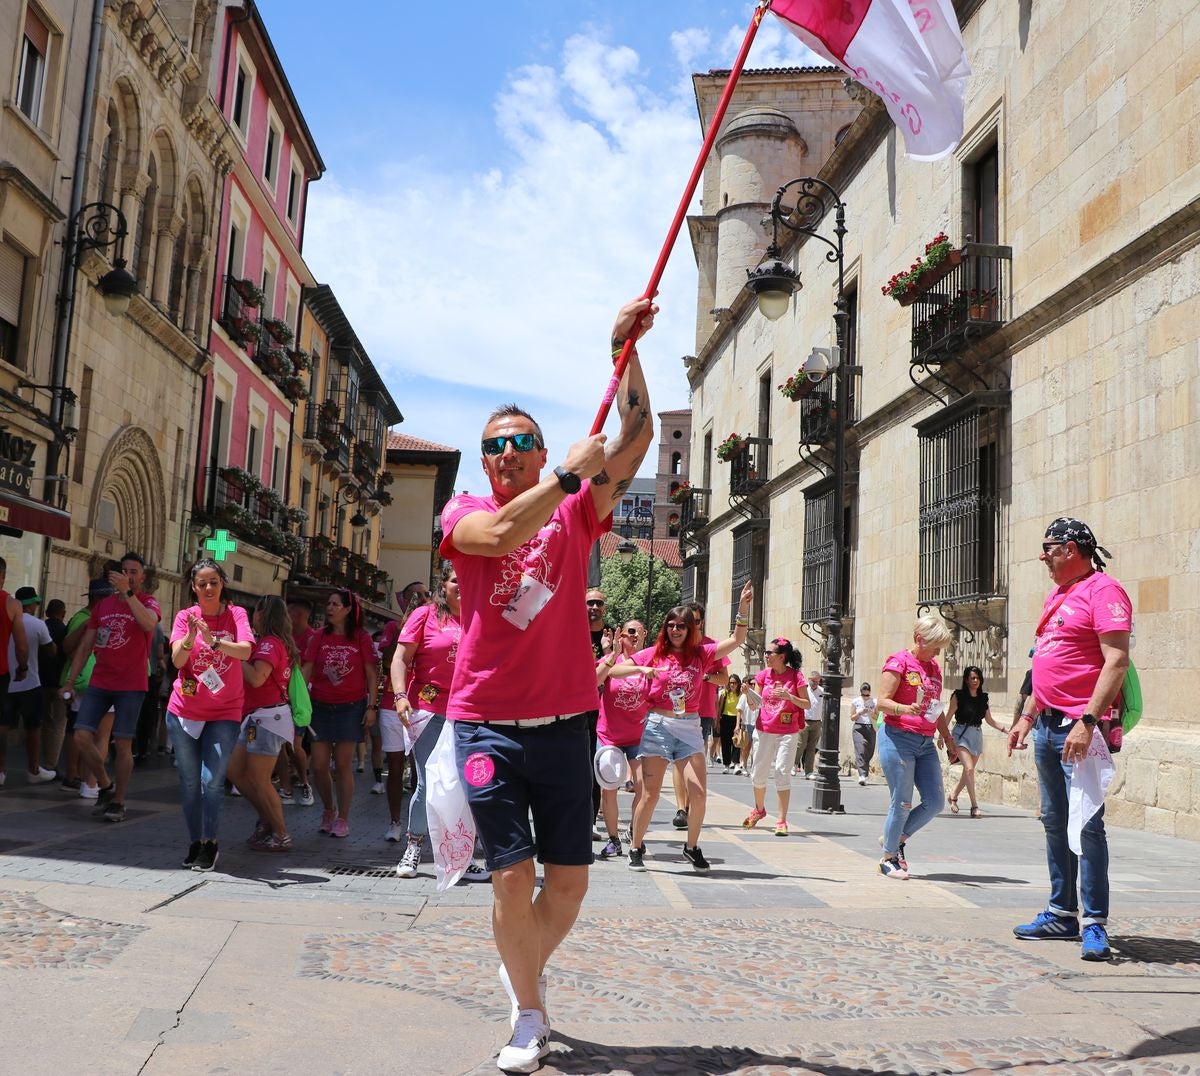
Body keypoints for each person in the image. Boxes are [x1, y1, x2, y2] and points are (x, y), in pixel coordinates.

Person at [439, 295, 656, 1074]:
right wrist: (567, 472)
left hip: (567, 722)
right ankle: (528, 1013)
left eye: (521, 443)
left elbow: (636, 440)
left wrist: (621, 351)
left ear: (533, 450)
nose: (507, 453)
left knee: (567, 887)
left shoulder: (575, 516)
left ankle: (519, 957)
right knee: (511, 873)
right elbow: (500, 535)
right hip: (487, 724)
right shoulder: (463, 512)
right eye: (495, 445)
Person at [1009, 517, 1131, 962]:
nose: (1042, 555)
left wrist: (1087, 721)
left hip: (1080, 726)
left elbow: (1116, 660)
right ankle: (1062, 912)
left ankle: (1094, 922)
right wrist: (1028, 714)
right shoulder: (1058, 594)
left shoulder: (1104, 591)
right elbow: (1043, 661)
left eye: (1049, 547)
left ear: (1072, 548)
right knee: (1054, 820)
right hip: (1046, 725)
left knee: (1086, 823)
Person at [629, 584, 752, 874]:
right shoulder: (654, 654)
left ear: (690, 629)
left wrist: (743, 606)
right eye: (670, 625)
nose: (675, 630)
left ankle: (691, 846)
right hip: (658, 726)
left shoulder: (702, 654)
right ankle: (635, 847)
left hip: (689, 728)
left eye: (681, 626)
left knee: (698, 793)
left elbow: (737, 638)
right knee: (650, 794)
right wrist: (637, 668)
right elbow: (622, 668)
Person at [389, 565, 489, 881]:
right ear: (443, 585)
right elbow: (400, 659)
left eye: (468, 579)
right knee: (429, 783)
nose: (463, 585)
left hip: (472, 711)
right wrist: (400, 695)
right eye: (456, 579)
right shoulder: (425, 615)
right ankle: (414, 847)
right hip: (429, 710)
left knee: (471, 783)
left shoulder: (483, 615)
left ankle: (463, 854)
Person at [166, 558, 254, 871]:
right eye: (201, 583)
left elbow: (245, 651)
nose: (207, 588)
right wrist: (191, 636)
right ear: (193, 586)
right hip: (185, 710)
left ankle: (211, 842)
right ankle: (196, 843)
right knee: (189, 782)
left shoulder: (237, 614)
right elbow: (177, 661)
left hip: (225, 710)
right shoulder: (184, 616)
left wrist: (216, 640)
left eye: (213, 582)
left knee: (211, 781)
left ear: (222, 584)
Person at [63, 553, 161, 822]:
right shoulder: (103, 606)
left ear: (142, 577)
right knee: (82, 735)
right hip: (100, 680)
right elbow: (85, 647)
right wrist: (70, 680)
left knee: (123, 743)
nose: (128, 574)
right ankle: (106, 786)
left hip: (131, 683)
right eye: (124, 570)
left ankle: (119, 801)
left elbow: (149, 623)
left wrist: (128, 594)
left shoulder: (147, 601)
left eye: (134, 571)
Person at [875, 615, 956, 879]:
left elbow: (936, 708)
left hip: (925, 742)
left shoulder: (933, 668)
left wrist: (948, 738)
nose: (938, 653)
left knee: (934, 801)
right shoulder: (898, 663)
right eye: (935, 646)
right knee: (902, 802)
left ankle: (895, 837)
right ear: (920, 639)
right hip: (897, 738)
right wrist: (905, 708)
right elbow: (881, 702)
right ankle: (888, 858)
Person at [302, 589, 379, 838]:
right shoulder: (318, 637)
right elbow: (306, 669)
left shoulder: (361, 638)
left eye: (336, 604)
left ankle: (343, 818)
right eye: (329, 604)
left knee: (344, 764)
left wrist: (371, 707)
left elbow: (371, 675)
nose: (330, 608)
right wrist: (298, 700)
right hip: (320, 707)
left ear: (348, 609)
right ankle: (328, 810)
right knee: (319, 765)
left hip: (351, 707)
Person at [228, 595, 298, 853]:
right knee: (235, 772)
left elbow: (257, 678)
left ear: (262, 615)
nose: (251, 616)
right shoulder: (270, 643)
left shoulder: (269, 644)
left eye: (254, 612)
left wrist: (236, 655)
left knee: (259, 779)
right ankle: (268, 821)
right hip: (258, 718)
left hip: (268, 719)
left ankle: (281, 833)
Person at [594, 619, 650, 860]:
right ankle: (613, 840)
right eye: (629, 631)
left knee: (644, 788)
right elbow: (595, 680)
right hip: (609, 735)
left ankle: (634, 830)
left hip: (640, 736)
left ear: (645, 634)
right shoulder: (612, 660)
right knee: (609, 789)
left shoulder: (651, 660)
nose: (633, 635)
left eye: (638, 631)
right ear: (620, 635)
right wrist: (613, 653)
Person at [741, 639, 809, 836]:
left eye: (769, 653)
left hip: (788, 731)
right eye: (765, 652)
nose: (766, 655)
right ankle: (759, 810)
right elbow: (756, 705)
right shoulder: (763, 675)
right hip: (764, 730)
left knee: (781, 772)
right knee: (758, 773)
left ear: (782, 656)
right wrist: (748, 695)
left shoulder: (796, 676)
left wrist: (790, 697)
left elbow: (806, 704)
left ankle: (781, 820)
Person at [670, 601, 727, 828]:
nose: (688, 625)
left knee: (694, 760)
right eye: (685, 622)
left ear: (701, 622)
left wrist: (705, 677)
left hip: (702, 710)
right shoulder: (677, 644)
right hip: (676, 708)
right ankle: (681, 808)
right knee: (678, 759)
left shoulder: (711, 646)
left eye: (693, 621)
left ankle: (692, 806)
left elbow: (724, 679)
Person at [0, 587, 56, 785]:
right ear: (30, 604)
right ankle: (33, 769)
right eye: (35, 603)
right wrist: (23, 666)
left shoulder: (5, 615)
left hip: (5, 680)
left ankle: (1, 770)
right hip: (29, 681)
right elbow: (51, 649)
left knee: (3, 726)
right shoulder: (37, 624)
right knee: (33, 726)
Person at [943, 666, 1008, 817]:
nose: (975, 681)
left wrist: (1007, 731)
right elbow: (947, 717)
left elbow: (990, 721)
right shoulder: (958, 696)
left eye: (977, 678)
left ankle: (953, 796)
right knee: (970, 769)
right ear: (966, 680)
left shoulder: (983, 698)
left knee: (968, 772)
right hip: (961, 734)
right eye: (972, 678)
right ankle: (974, 806)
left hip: (976, 735)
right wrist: (943, 736)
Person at [281, 596, 316, 805]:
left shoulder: (312, 638)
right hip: (279, 697)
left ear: (299, 615)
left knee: (295, 744)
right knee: (280, 745)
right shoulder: (285, 637)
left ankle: (304, 783)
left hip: (299, 700)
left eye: (289, 611)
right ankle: (285, 788)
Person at [0, 556, 30, 787]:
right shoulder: (11, 604)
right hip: (1, 672)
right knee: (2, 724)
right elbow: (21, 645)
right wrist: (22, 668)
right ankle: (0, 770)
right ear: (3, 576)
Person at [40, 598, 68, 774]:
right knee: (58, 724)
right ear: (63, 614)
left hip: (40, 682)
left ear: (47, 613)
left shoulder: (41, 627)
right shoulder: (65, 631)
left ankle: (41, 761)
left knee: (43, 722)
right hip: (59, 683)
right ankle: (52, 764)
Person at [795, 669, 823, 778]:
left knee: (812, 748)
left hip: (817, 722)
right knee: (801, 744)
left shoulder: (822, 691)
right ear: (809, 680)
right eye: (813, 681)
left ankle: (809, 771)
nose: (815, 683)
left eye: (817, 681)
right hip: (804, 721)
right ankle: (794, 764)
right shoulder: (804, 690)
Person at [851, 683, 878, 786]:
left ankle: (864, 773)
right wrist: (859, 713)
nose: (866, 697)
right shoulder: (856, 701)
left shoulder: (874, 701)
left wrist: (872, 713)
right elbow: (852, 717)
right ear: (861, 693)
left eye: (867, 695)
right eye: (864, 695)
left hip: (870, 727)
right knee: (860, 750)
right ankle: (862, 775)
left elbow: (878, 717)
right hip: (858, 727)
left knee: (869, 751)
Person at [716, 674, 742, 772]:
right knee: (725, 742)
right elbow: (719, 709)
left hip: (737, 719)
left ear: (738, 683)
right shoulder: (724, 693)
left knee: (736, 742)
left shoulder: (741, 694)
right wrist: (717, 721)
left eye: (734, 683)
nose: (732, 685)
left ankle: (736, 764)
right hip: (725, 718)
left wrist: (739, 724)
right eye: (730, 682)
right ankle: (726, 765)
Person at [735, 676, 759, 776]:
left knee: (756, 749)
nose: (753, 686)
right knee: (746, 748)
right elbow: (739, 711)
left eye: (755, 684)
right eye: (751, 683)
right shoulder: (744, 696)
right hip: (747, 724)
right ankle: (744, 766)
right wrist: (737, 725)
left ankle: (754, 768)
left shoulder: (758, 696)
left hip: (757, 725)